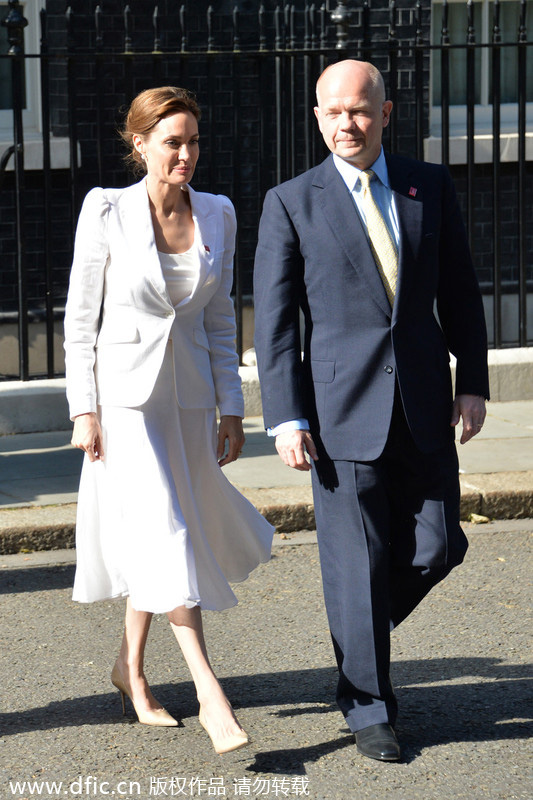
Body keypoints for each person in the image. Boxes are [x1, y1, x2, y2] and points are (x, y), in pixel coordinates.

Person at [253, 60, 489, 762]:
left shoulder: (428, 187)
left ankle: (360, 632)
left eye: (357, 110)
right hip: (336, 414)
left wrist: (471, 382)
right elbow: (275, 324)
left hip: (421, 403)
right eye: (331, 112)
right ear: (317, 117)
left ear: (384, 114)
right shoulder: (291, 201)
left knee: (439, 545)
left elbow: (461, 289)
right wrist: (285, 417)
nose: (344, 124)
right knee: (356, 561)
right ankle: (367, 706)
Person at [64, 86, 273, 755]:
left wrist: (232, 406)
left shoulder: (218, 212)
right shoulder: (106, 211)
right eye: (172, 142)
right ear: (140, 144)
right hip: (123, 403)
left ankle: (129, 667)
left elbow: (218, 319)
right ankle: (212, 695)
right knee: (171, 531)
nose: (186, 154)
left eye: (193, 141)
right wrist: (83, 409)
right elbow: (79, 320)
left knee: (163, 536)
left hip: (186, 403)